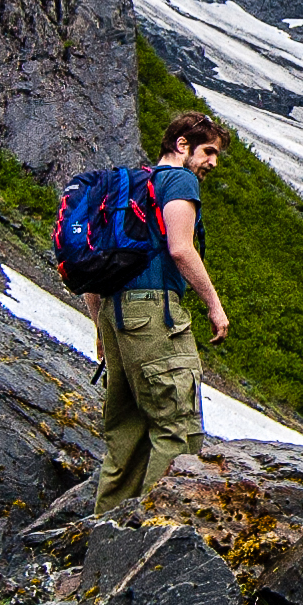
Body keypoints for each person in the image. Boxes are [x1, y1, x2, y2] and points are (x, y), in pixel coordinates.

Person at [88, 111, 233, 510]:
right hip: (155, 313)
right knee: (178, 427)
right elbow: (181, 248)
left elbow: (94, 266)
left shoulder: (130, 187)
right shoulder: (178, 180)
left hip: (114, 314)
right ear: (182, 145)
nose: (213, 163)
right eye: (209, 152)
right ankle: (155, 536)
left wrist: (101, 327)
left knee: (126, 435)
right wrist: (215, 307)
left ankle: (106, 535)